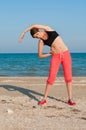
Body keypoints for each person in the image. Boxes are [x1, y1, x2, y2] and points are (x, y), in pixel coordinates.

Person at [19, 24, 76, 105]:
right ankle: (44, 98)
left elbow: (33, 25)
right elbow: (40, 55)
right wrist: (49, 53)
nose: (38, 37)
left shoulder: (49, 30)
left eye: (37, 34)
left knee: (68, 77)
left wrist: (24, 32)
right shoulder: (41, 42)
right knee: (51, 78)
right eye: (36, 37)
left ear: (39, 30)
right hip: (55, 57)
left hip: (66, 54)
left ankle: (70, 99)